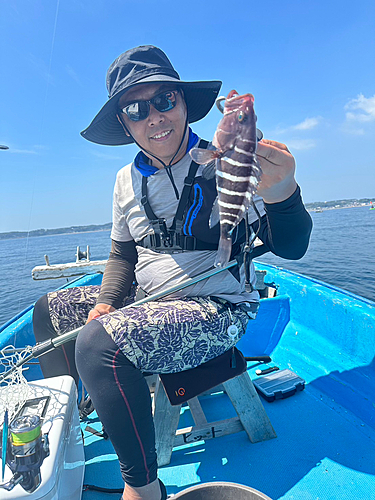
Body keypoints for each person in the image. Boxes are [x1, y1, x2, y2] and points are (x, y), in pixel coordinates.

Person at [32, 45, 312, 500]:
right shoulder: (125, 180)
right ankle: (71, 435)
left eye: (165, 101)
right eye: (136, 109)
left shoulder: (230, 160)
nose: (155, 118)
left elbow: (293, 247)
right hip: (150, 299)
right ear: (124, 123)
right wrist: (104, 302)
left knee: (99, 344)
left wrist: (283, 193)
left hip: (218, 308)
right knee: (49, 311)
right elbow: (122, 255)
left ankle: (143, 487)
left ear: (184, 105)